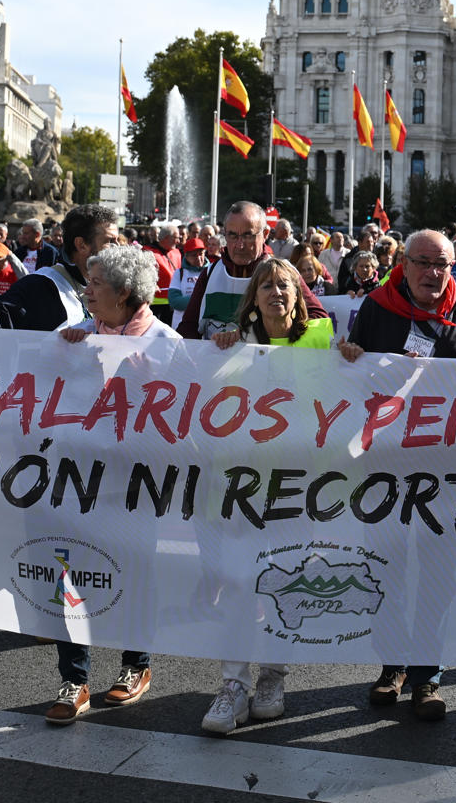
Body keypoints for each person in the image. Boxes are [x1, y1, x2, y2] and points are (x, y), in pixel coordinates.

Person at [338, 229, 456, 721]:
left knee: (437, 577)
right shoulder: (376, 309)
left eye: (443, 264)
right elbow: (352, 381)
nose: (433, 272)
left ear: (455, 267)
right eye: (423, 262)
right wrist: (349, 360)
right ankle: (392, 667)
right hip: (387, 468)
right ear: (402, 264)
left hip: (449, 472)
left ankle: (429, 675)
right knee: (386, 570)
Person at [46, 243, 173, 724]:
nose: (86, 290)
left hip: (138, 480)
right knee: (69, 572)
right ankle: (74, 679)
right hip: (77, 475)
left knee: (135, 571)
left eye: (95, 284)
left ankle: (135, 666)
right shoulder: (75, 335)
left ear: (123, 292)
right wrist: (62, 354)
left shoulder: (165, 344)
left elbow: (184, 415)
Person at [0, 204, 120, 332]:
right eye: (110, 241)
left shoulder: (118, 287)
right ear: (81, 245)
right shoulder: (45, 285)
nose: (118, 247)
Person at [179, 201, 327, 340]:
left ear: (265, 234)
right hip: (217, 364)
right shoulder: (210, 273)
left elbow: (319, 319)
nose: (240, 245)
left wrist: (258, 332)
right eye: (232, 235)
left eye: (247, 235)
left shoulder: (284, 272)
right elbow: (188, 328)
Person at [210, 257, 335, 351]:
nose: (276, 292)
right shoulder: (237, 342)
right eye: (267, 286)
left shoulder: (320, 335)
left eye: (283, 285)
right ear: (255, 299)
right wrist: (220, 345)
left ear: (296, 296)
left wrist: (350, 352)